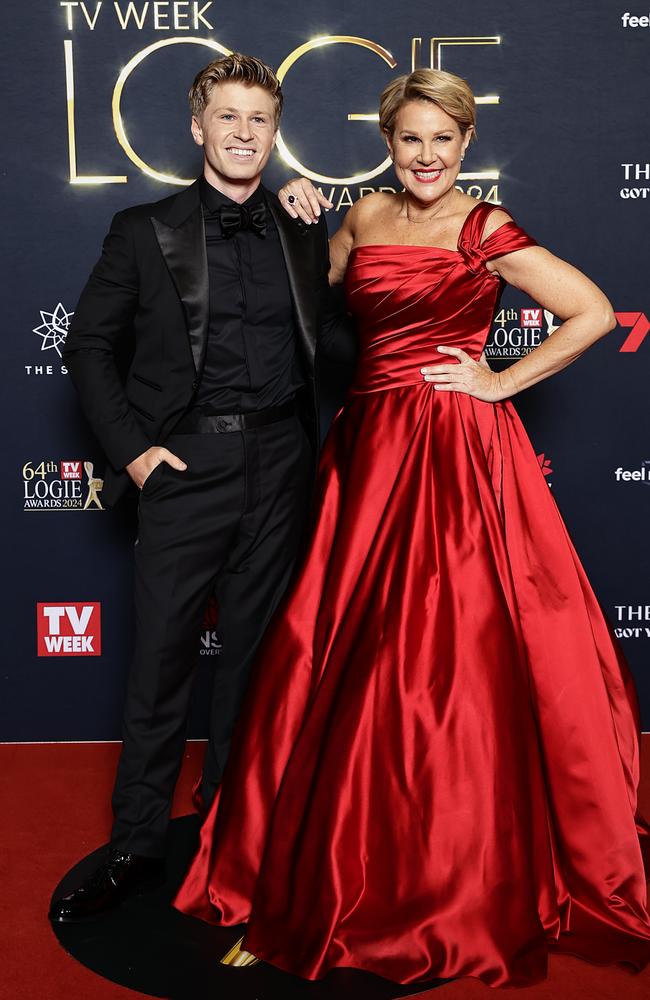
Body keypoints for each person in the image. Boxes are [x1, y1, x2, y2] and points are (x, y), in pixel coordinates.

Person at [173, 68, 650, 988]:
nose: (427, 156)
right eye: (410, 139)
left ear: (467, 144)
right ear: (387, 144)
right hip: (366, 449)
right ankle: (321, 848)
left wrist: (498, 381)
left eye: (444, 139)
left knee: (443, 653)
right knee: (339, 641)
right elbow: (303, 308)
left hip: (456, 452)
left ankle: (441, 861)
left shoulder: (487, 230)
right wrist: (292, 206)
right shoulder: (359, 220)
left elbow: (590, 312)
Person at [49, 52, 354, 923]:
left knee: (255, 667)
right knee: (160, 666)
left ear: (275, 131)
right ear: (196, 127)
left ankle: (232, 822)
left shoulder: (302, 226)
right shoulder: (144, 229)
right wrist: (137, 454)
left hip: (282, 465)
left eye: (260, 120)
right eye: (228, 117)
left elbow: (333, 341)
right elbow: (87, 348)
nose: (244, 134)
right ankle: (139, 842)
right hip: (185, 468)